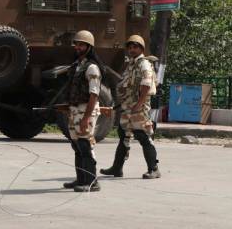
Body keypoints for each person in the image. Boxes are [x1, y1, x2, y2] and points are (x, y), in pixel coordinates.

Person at [100, 35, 161, 179]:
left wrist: (138, 104)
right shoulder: (131, 64)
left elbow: (146, 85)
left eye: (135, 47)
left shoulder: (144, 64)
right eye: (130, 47)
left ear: (141, 48)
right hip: (128, 107)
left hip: (138, 108)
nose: (132, 50)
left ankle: (154, 169)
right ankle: (117, 168)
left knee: (143, 136)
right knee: (123, 136)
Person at [62, 30, 104, 192]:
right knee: (77, 145)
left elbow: (94, 94)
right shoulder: (77, 66)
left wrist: (86, 117)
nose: (78, 47)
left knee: (85, 145)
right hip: (75, 111)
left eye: (81, 45)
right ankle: (80, 179)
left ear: (89, 47)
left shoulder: (92, 68)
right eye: (76, 44)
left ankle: (92, 182)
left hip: (86, 110)